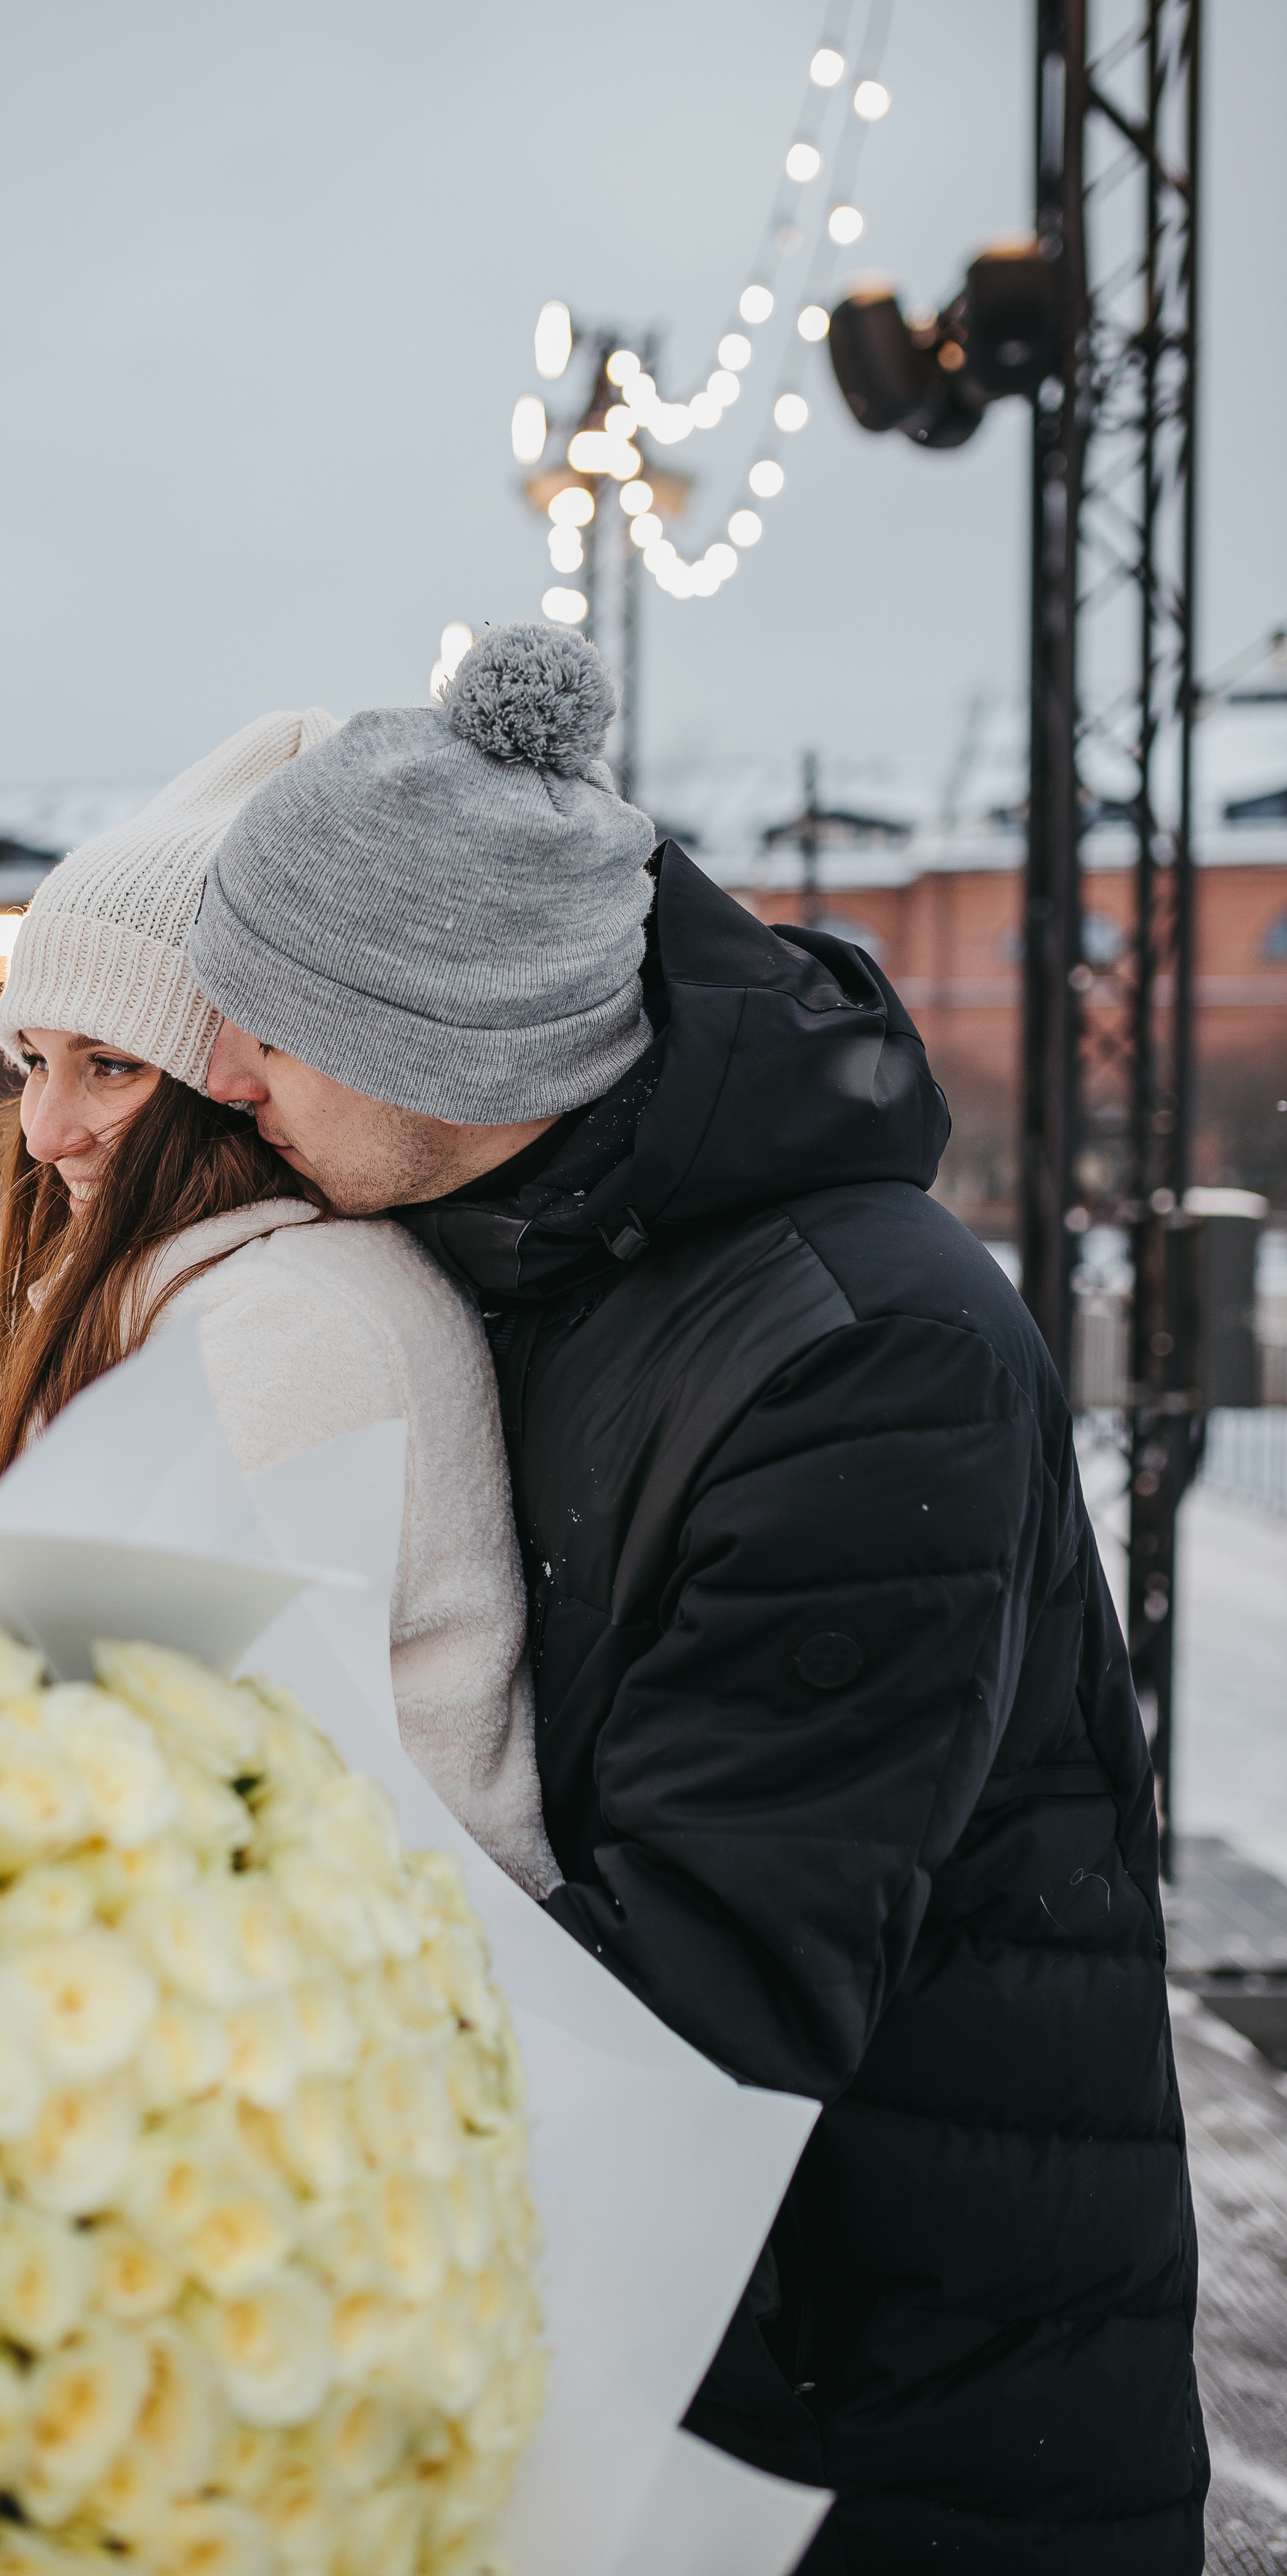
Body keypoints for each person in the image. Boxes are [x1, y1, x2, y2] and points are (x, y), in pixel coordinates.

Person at [186, 623, 1205, 2575]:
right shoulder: (543, 1249)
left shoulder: (860, 1355)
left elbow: (709, 1990)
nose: (223, 1075)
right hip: (712, 2363)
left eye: (272, 1025)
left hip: (898, 2430)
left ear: (450, 1041)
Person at [0, 706, 558, 1896]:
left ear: (231, 1078)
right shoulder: (207, 1291)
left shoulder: (291, 1320)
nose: (45, 1132)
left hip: (364, 1972)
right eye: (33, 1061)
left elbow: (195, 1744)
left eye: (113, 1065)